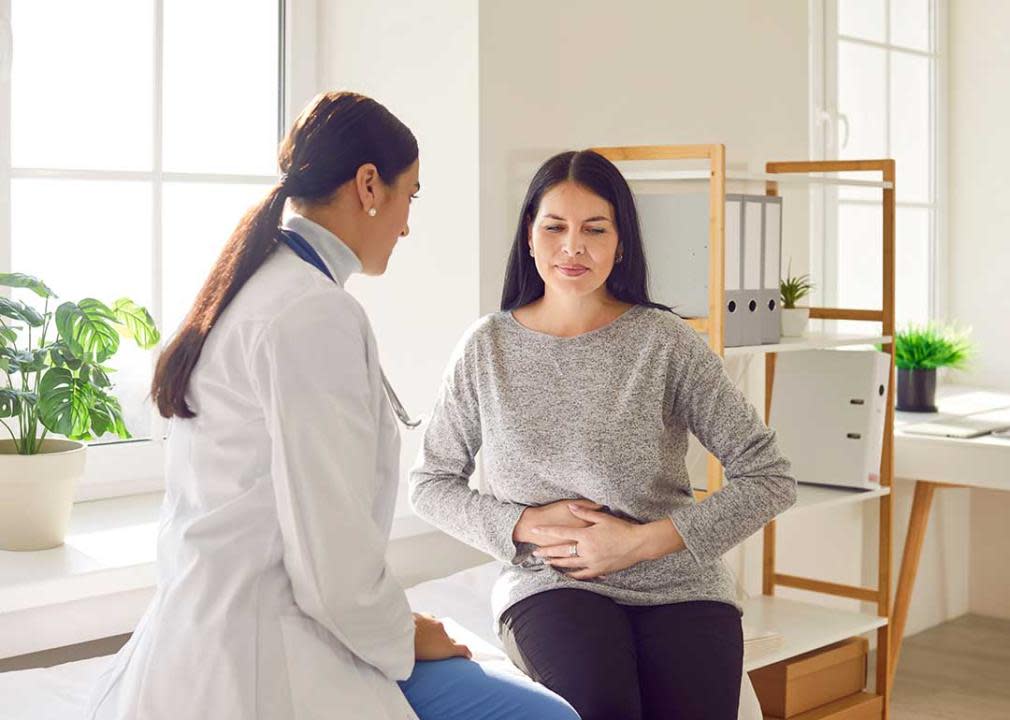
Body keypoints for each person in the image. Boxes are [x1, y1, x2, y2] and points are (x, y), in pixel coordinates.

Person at [86, 92, 578, 720]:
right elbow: (330, 566)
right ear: (369, 185)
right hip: (267, 650)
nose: (405, 225)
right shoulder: (311, 313)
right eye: (412, 196)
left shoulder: (262, 286)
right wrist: (409, 634)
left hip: (204, 629)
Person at [410, 149, 798, 720]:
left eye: (595, 229)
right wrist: (521, 524)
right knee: (601, 707)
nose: (573, 247)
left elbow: (769, 478)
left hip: (680, 585)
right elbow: (429, 483)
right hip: (553, 585)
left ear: (621, 243)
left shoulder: (665, 342)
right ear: (530, 237)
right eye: (556, 228)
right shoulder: (485, 349)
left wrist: (640, 542)